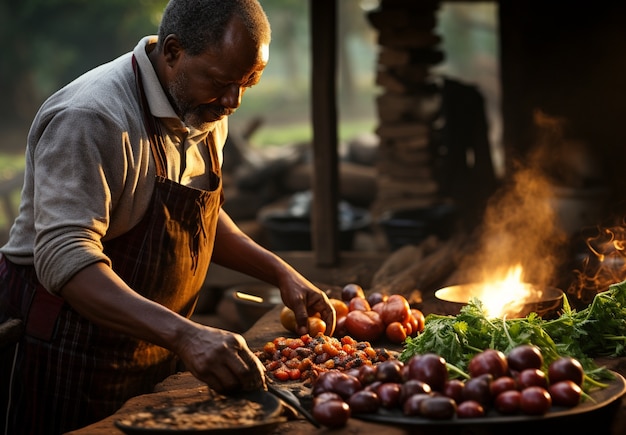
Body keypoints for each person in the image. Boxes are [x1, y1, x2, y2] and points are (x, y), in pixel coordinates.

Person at [0, 0, 336, 433]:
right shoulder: (92, 118)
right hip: (67, 345)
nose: (234, 100)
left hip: (151, 341)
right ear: (173, 52)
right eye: (221, 82)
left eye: (248, 83)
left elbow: (200, 217)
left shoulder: (204, 104)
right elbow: (64, 257)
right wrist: (185, 334)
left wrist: (280, 272)